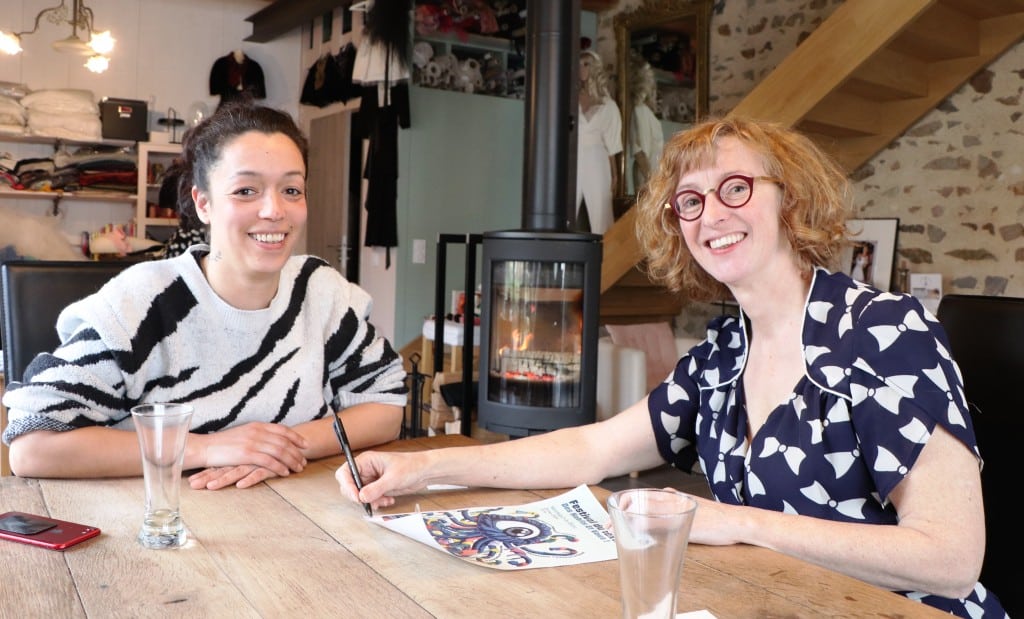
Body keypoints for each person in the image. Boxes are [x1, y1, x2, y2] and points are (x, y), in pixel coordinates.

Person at [337, 117, 1006, 618]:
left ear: (791, 199)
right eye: (691, 201)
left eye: (736, 188)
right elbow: (592, 445)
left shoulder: (883, 333)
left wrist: (732, 521)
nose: (712, 213)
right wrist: (422, 466)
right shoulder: (722, 354)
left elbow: (950, 559)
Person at [2, 101, 408, 491]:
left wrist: (274, 448)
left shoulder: (321, 290)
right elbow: (32, 447)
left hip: (295, 518)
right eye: (246, 191)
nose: (274, 210)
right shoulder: (145, 301)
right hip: (160, 525)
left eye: (292, 190)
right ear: (203, 203)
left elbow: (386, 406)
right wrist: (210, 448)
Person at [575, 49, 622, 235]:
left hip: (597, 158)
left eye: (586, 64)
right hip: (574, 157)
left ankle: (607, 261)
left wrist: (615, 173)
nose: (581, 68)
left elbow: (612, 142)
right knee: (564, 212)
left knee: (601, 215)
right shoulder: (570, 99)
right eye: (579, 64)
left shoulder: (608, 105)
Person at [629, 54, 663, 191]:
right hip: (648, 178)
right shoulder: (640, 111)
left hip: (651, 176)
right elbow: (640, 153)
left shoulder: (645, 112)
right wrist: (652, 183)